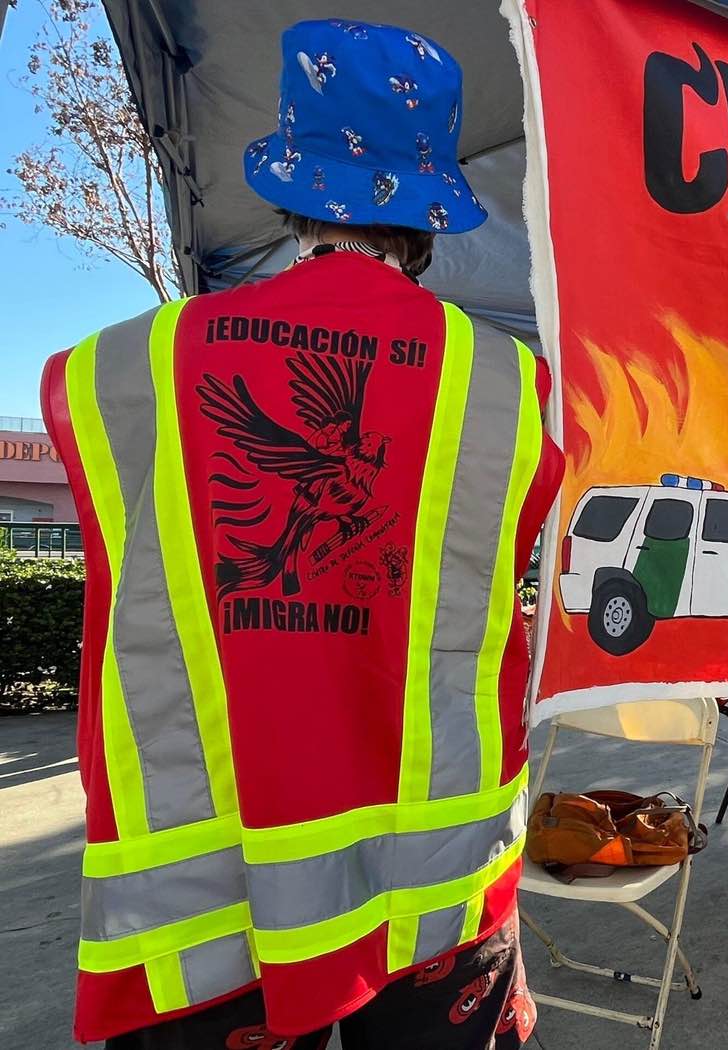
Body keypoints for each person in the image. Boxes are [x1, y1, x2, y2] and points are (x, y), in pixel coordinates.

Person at [42, 21, 561, 1049]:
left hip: (200, 907)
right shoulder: (507, 389)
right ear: (429, 213)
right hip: (433, 892)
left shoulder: (126, 369)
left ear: (289, 188)